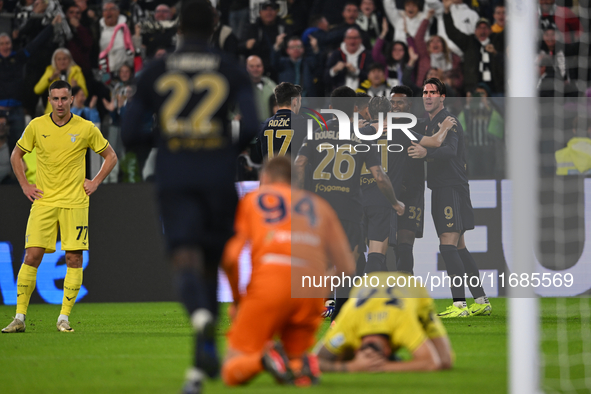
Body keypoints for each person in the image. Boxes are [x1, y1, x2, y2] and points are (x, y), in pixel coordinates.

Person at [119, 1, 258, 393]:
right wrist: (221, 148)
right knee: (211, 264)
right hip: (217, 176)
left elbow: (129, 135)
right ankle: (200, 365)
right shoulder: (232, 69)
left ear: (178, 28)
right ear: (215, 26)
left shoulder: (157, 71)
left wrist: (166, 140)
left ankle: (198, 317)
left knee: (184, 257)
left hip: (176, 176)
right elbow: (251, 126)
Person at [221, 156, 355, 386]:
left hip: (271, 283)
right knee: (295, 370)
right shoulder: (320, 206)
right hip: (310, 291)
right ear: (297, 179)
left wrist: (238, 299)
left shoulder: (253, 200)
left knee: (231, 370)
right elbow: (347, 267)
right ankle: (299, 364)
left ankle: (265, 359)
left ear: (265, 177)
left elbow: (231, 258)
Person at [1, 80, 117, 334]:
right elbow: (15, 156)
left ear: (72, 99)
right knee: (31, 255)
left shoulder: (86, 128)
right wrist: (24, 185)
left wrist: (95, 182)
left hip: (75, 202)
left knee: (74, 258)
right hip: (44, 202)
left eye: (64, 98)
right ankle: (19, 317)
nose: (60, 103)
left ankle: (63, 318)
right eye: (55, 99)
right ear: (49, 100)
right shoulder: (36, 125)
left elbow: (111, 156)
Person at [295, 86, 404, 318]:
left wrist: (300, 195)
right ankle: (340, 317)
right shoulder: (362, 137)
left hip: (320, 207)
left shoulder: (316, 132)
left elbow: (299, 164)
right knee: (347, 263)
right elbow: (379, 176)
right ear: (355, 109)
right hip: (349, 207)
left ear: (332, 108)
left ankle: (314, 306)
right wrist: (395, 202)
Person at [407, 78, 492, 317]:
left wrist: (426, 152)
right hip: (445, 187)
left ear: (442, 97)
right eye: (425, 92)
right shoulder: (429, 122)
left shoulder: (448, 121)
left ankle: (459, 304)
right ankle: (481, 300)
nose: (428, 96)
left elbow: (450, 151)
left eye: (433, 92)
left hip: (450, 187)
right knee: (460, 247)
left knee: (447, 244)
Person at [360, 94, 454, 274]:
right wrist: (446, 128)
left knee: (358, 253)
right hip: (382, 200)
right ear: (389, 112)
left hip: (359, 198)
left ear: (368, 112)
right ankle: (372, 296)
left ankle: (347, 297)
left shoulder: (359, 132)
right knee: (377, 254)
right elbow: (435, 141)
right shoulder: (400, 131)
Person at [314, 271, 453, 372]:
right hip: (369, 284)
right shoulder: (348, 326)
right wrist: (351, 367)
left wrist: (382, 367)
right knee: (444, 362)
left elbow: (432, 363)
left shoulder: (400, 323)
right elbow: (313, 362)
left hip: (412, 288)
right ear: (388, 351)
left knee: (446, 361)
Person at [255, 82, 306, 162]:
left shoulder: (263, 126)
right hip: (293, 173)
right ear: (295, 101)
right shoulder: (306, 125)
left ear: (277, 100)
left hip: (270, 173)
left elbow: (258, 155)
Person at [34, 48, 88, 114]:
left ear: (69, 60)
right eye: (59, 59)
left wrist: (76, 88)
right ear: (55, 61)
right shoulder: (50, 71)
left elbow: (85, 94)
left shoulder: (76, 71)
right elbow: (37, 90)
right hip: (54, 112)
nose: (62, 62)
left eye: (64, 59)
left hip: (73, 112)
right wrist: (50, 79)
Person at [324, 28, 373, 92]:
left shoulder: (367, 55)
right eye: (350, 38)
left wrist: (356, 71)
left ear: (360, 40)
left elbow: (371, 77)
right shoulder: (336, 54)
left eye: (355, 38)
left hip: (361, 95)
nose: (352, 41)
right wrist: (334, 69)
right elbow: (325, 77)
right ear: (345, 40)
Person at [246, 55, 277, 122]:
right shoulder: (240, 86)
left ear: (262, 68)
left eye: (258, 66)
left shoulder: (271, 84)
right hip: (249, 127)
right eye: (252, 66)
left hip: (269, 127)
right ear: (246, 68)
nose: (255, 69)